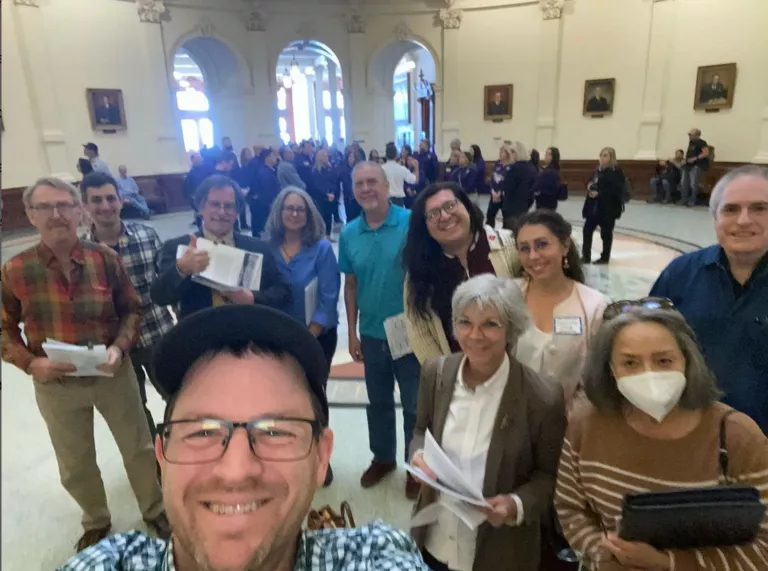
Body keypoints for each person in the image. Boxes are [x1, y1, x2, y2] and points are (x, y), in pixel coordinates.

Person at [58, 305, 430, 570]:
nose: (236, 471)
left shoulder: (374, 556)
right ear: (161, 455)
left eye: (275, 430)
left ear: (321, 457)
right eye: (203, 431)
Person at [2, 177, 169, 552]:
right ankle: (96, 519)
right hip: (55, 383)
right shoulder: (15, 270)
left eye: (65, 205)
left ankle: (155, 508)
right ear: (30, 215)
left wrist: (120, 348)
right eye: (45, 207)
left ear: (79, 211)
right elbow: (4, 329)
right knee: (74, 461)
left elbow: (132, 310)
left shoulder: (105, 259)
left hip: (111, 373)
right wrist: (30, 364)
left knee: (139, 447)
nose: (56, 214)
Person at [555, 305, 768, 570]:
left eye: (663, 361)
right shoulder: (585, 426)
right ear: (611, 369)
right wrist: (605, 553)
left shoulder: (737, 437)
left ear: (687, 361)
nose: (649, 374)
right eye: (630, 363)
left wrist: (667, 564)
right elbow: (570, 508)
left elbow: (764, 547)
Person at [410, 274, 566, 571]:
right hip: (435, 539)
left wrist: (514, 505)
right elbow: (421, 431)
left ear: (512, 329)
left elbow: (549, 477)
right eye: (465, 322)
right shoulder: (436, 373)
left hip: (498, 551)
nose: (475, 335)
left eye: (490, 324)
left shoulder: (541, 397)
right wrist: (418, 456)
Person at [650, 165, 768, 433]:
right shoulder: (679, 273)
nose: (744, 220)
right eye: (731, 209)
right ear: (715, 218)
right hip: (689, 434)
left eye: (760, 208)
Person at [339, 161, 422, 498]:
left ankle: (416, 467)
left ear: (388, 186)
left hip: (411, 332)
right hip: (373, 334)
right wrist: (352, 333)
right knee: (378, 401)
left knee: (416, 405)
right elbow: (351, 284)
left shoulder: (410, 223)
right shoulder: (348, 234)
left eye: (372, 182)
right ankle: (383, 458)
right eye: (359, 184)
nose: (366, 189)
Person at [81, 172, 175, 438]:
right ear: (85, 207)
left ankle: (183, 445)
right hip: (117, 347)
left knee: (177, 394)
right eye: (96, 200)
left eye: (111, 198)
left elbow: (167, 283)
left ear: (121, 201)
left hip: (158, 334)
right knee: (134, 408)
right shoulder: (82, 251)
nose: (105, 206)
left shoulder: (148, 235)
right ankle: (154, 456)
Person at [264, 187, 340, 485]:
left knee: (313, 398)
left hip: (315, 338)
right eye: (288, 209)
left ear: (308, 215)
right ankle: (285, 455)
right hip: (274, 339)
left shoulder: (321, 248)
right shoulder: (265, 248)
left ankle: (319, 458)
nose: (294, 214)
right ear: (279, 213)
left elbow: (328, 297)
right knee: (278, 399)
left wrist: (307, 338)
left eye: (300, 209)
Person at [403, 182, 521, 365]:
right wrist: (445, 376)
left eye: (450, 205)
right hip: (458, 379)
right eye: (432, 214)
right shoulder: (419, 270)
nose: (444, 216)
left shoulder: (509, 246)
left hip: (515, 370)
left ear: (467, 206)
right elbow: (419, 331)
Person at [151, 175, 291, 319]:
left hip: (248, 333)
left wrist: (252, 299)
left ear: (237, 212)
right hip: (199, 335)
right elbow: (159, 297)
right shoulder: (177, 248)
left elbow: (282, 291)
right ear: (201, 208)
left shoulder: (258, 248)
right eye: (215, 204)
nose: (222, 212)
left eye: (229, 206)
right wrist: (181, 269)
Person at [513, 210, 610, 407]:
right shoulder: (508, 296)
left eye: (542, 245)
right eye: (524, 248)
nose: (533, 256)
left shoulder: (595, 306)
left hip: (569, 423)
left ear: (565, 246)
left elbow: (600, 378)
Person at [581, 147, 625, 265]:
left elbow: (616, 190)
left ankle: (605, 257)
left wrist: (600, 193)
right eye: (601, 155)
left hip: (608, 208)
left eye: (605, 155)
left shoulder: (616, 172)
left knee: (606, 233)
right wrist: (590, 186)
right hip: (593, 207)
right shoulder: (597, 171)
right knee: (587, 230)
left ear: (611, 158)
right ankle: (586, 256)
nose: (602, 158)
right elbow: (591, 182)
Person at [501, 141, 537, 230]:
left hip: (512, 207)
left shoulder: (514, 168)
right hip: (524, 206)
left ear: (517, 153)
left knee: (510, 233)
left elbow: (507, 188)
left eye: (512, 152)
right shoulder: (531, 167)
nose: (511, 155)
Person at [308, 148, 340, 241]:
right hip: (321, 197)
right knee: (322, 216)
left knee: (329, 216)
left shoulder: (330, 168)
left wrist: (333, 192)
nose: (327, 157)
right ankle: (320, 235)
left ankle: (328, 234)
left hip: (331, 195)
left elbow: (334, 181)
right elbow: (318, 184)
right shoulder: (315, 170)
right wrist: (326, 194)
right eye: (325, 156)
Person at [250, 147, 282, 235]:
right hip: (265, 208)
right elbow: (268, 193)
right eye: (273, 156)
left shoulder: (270, 171)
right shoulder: (265, 173)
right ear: (267, 158)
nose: (276, 157)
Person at [382, 142, 419, 207]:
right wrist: (416, 168)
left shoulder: (380, 169)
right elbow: (415, 180)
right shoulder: (401, 169)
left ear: (386, 155)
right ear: (396, 155)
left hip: (385, 199)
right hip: (398, 201)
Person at [486, 143, 514, 227]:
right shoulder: (497, 163)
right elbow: (492, 178)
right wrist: (492, 191)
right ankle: (489, 233)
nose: (500, 153)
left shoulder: (512, 166)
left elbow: (507, 182)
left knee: (506, 218)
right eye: (500, 151)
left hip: (504, 196)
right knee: (490, 215)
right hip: (494, 195)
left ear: (507, 153)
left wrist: (500, 192)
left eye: (502, 151)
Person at [681, 128, 710, 207]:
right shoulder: (691, 142)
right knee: (684, 183)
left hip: (696, 165)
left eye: (691, 134)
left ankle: (692, 200)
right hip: (687, 165)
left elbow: (706, 153)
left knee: (694, 184)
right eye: (689, 134)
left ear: (697, 135)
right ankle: (684, 200)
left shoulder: (702, 143)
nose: (689, 136)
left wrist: (695, 158)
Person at [182, 152, 211, 231]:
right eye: (197, 159)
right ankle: (200, 229)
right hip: (196, 196)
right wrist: (190, 196)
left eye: (199, 158)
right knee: (199, 213)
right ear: (193, 161)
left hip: (207, 194)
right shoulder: (192, 173)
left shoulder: (206, 169)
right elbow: (188, 186)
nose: (199, 160)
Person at [532, 147, 562, 211]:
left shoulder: (551, 171)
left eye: (549, 154)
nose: (546, 156)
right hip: (544, 202)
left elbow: (548, 188)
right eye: (546, 154)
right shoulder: (546, 169)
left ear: (553, 157)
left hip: (546, 203)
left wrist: (537, 192)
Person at [340, 147, 363, 222]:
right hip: (349, 197)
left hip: (358, 196)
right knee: (350, 217)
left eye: (353, 157)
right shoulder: (344, 169)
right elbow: (345, 183)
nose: (351, 159)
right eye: (350, 157)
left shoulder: (358, 168)